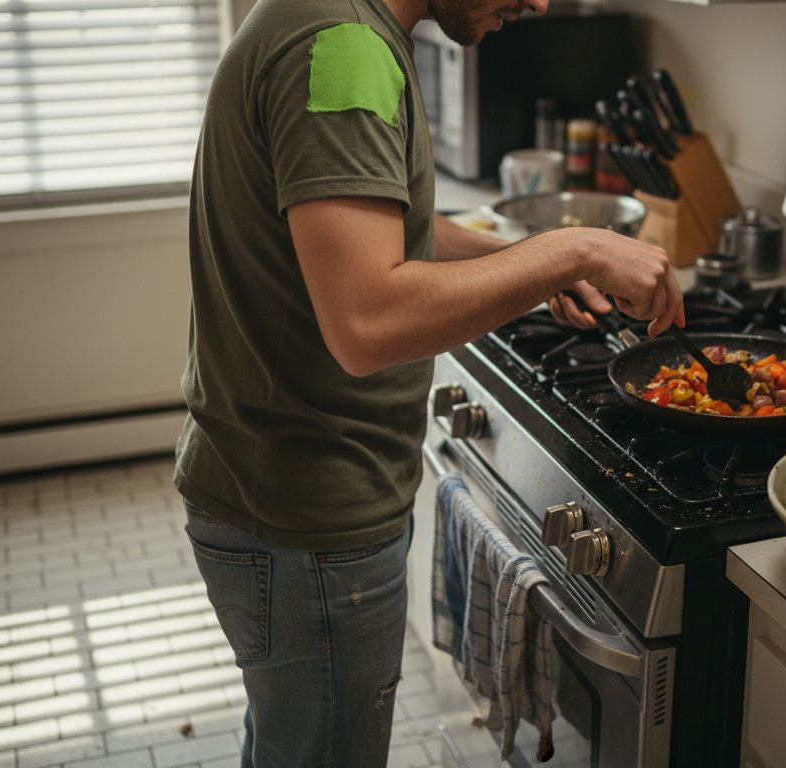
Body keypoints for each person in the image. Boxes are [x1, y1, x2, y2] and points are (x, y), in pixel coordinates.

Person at [173, 0, 685, 764]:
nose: (541, 3)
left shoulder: (339, 20)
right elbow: (367, 323)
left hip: (275, 494)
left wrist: (528, 256)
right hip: (306, 519)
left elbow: (387, 229)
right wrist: (573, 250)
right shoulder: (344, 46)